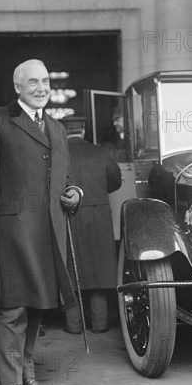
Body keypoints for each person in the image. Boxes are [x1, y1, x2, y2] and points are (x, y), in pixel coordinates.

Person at [0, 59, 83, 385]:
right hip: (14, 231)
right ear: (17, 87)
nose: (41, 88)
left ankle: (27, 378)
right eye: (32, 82)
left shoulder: (57, 128)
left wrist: (76, 193)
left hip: (50, 231)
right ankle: (9, 384)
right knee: (14, 308)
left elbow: (65, 179)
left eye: (45, 81)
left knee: (38, 307)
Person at [59, 117, 122, 334]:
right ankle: (100, 324)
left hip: (68, 215)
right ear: (83, 130)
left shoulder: (57, 154)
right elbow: (116, 181)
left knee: (72, 271)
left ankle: (74, 325)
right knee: (98, 272)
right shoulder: (101, 152)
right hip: (98, 215)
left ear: (63, 131)